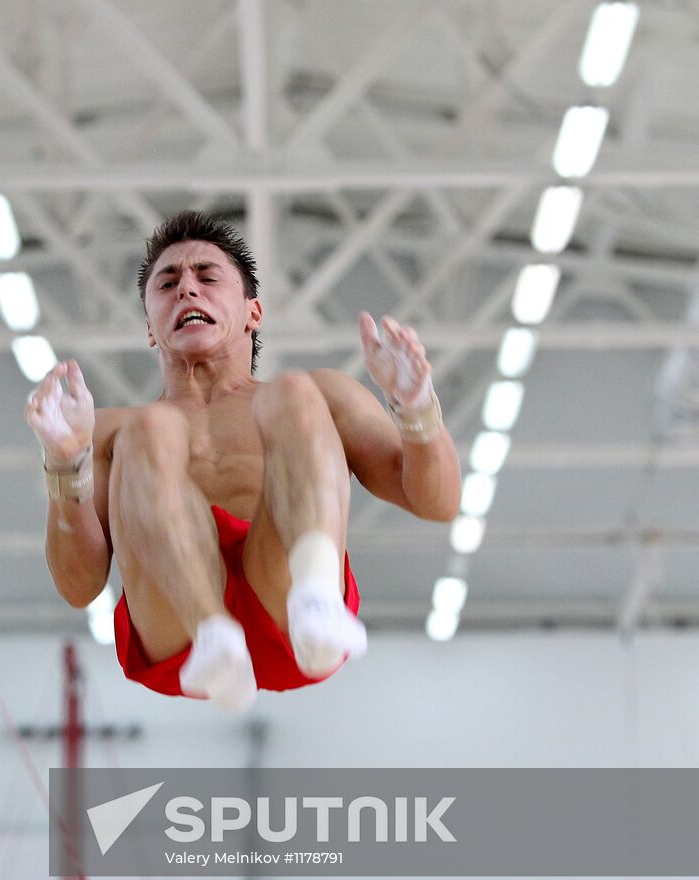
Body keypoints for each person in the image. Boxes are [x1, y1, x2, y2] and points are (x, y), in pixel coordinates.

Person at [25, 210, 462, 712]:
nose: (187, 290)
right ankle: (212, 632)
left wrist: (417, 409)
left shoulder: (324, 397)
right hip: (178, 629)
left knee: (292, 393)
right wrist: (64, 462)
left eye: (207, 277)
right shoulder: (105, 431)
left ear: (254, 313)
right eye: (168, 284)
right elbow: (79, 587)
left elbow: (438, 502)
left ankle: (315, 598)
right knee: (150, 427)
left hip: (285, 596)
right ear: (150, 328)